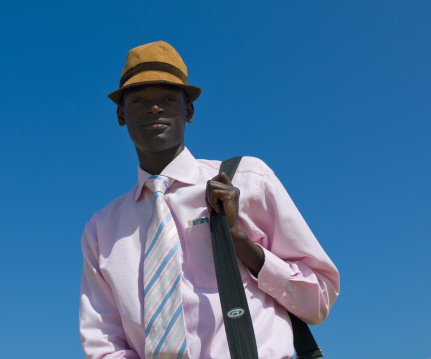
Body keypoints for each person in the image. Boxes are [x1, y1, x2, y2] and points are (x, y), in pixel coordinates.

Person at [79, 41, 339, 359]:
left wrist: (240, 243)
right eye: (140, 99)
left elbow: (320, 298)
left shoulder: (247, 180)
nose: (154, 108)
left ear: (188, 111)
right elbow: (103, 340)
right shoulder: (102, 229)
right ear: (121, 115)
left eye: (167, 98)